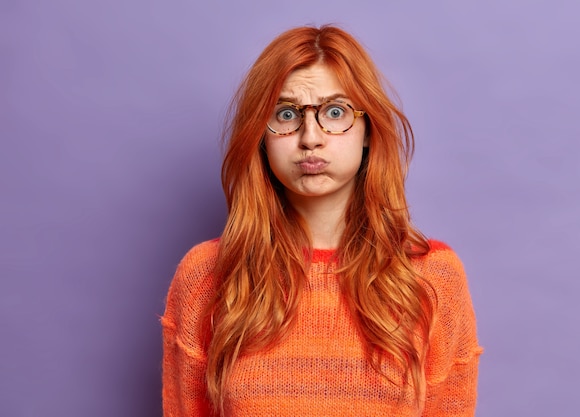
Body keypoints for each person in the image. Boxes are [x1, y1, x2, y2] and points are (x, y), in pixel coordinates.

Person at [161, 25, 482, 417]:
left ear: (368, 130)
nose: (310, 137)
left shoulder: (432, 277)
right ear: (260, 136)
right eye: (286, 114)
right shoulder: (206, 276)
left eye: (335, 112)